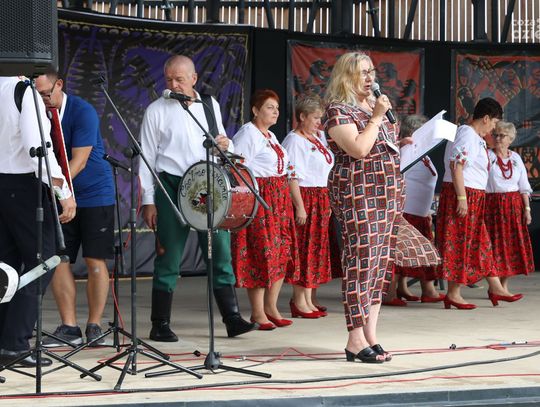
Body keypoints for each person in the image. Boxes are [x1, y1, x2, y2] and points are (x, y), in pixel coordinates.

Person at [139, 55, 256, 341]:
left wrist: (225, 145)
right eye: (168, 79)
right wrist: (148, 200)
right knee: (169, 255)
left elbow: (222, 144)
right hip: (171, 184)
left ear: (194, 78)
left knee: (220, 250)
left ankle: (232, 318)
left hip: (207, 183)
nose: (173, 85)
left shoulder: (209, 105)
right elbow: (146, 157)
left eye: (179, 79)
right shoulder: (156, 110)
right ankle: (159, 323)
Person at [323, 52, 400, 363]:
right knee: (361, 262)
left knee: (380, 265)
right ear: (347, 77)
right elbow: (358, 149)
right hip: (358, 193)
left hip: (387, 193)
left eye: (372, 71)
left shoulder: (373, 106)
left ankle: (371, 336)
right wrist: (377, 118)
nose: (370, 78)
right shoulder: (338, 111)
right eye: (363, 72)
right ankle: (355, 340)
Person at [34, 70, 115, 347]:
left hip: (94, 194)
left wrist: (60, 192)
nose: (43, 99)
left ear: (59, 85)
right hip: (59, 195)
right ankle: (69, 327)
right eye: (37, 95)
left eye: (46, 93)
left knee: (94, 260)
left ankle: (94, 325)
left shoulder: (82, 111)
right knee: (59, 259)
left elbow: (78, 162)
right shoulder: (36, 113)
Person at [0, 76, 76, 367]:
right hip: (23, 184)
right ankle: (14, 343)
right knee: (43, 262)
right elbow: (39, 150)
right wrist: (63, 193)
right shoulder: (24, 91)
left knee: (6, 264)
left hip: (3, 183)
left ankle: (5, 339)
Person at [232, 89, 299, 330]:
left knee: (281, 251)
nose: (275, 112)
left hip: (279, 199)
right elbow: (238, 168)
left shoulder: (270, 136)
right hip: (260, 199)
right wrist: (251, 199)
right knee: (261, 252)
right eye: (270, 107)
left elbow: (286, 169)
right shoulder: (248, 133)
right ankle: (258, 312)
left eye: (277, 108)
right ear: (255, 110)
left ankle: (271, 307)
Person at [436, 97, 507, 309]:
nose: (493, 128)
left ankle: (495, 286)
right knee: (459, 241)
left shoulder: (475, 137)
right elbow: (456, 165)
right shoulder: (466, 133)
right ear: (486, 118)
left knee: (478, 242)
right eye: (494, 122)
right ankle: (453, 293)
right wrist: (461, 198)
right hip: (463, 193)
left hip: (473, 194)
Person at [383, 114, 445, 306]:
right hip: (406, 212)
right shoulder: (405, 151)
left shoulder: (421, 153)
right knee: (399, 254)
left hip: (420, 212)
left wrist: (428, 211)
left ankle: (406, 289)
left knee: (419, 254)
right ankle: (390, 293)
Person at [282, 94, 334, 318]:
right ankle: (299, 300)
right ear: (302, 117)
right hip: (306, 196)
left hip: (320, 195)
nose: (318, 123)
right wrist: (300, 207)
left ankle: (310, 297)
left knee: (316, 249)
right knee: (304, 248)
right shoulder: (295, 141)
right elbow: (292, 176)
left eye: (320, 118)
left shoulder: (318, 137)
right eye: (315, 118)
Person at [484, 121, 533, 304]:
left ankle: (503, 287)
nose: (497, 138)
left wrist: (527, 209)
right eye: (495, 135)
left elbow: (523, 186)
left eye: (502, 136)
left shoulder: (516, 158)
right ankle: (494, 287)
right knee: (494, 247)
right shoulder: (487, 156)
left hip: (513, 207)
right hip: (492, 206)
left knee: (510, 247)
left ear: (510, 139)